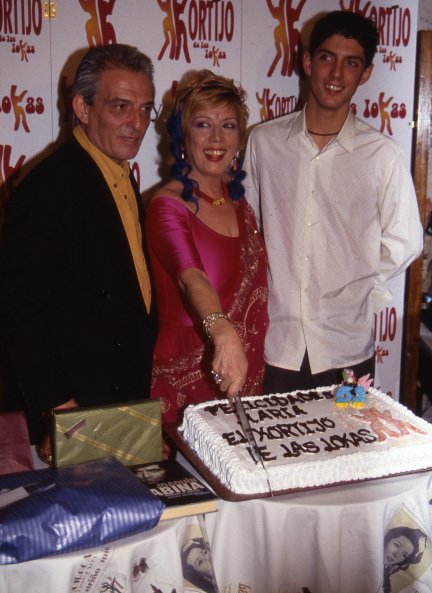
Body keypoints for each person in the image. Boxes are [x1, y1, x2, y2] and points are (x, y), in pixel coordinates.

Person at [243, 10, 423, 393]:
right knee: (278, 450)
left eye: (351, 62)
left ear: (366, 73)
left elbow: (406, 240)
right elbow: (248, 227)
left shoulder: (382, 154)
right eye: (327, 57)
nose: (336, 74)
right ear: (308, 62)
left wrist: (360, 289)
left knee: (349, 446)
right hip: (277, 346)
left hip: (349, 352)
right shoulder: (264, 142)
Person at [0, 44, 158, 453]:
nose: (136, 123)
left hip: (120, 403)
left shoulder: (118, 174)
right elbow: (21, 314)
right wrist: (60, 411)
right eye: (121, 107)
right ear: (82, 108)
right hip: (75, 414)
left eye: (145, 109)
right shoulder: (46, 189)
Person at [146, 70, 268, 429]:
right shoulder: (167, 206)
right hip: (187, 382)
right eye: (203, 124)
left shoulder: (239, 200)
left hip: (244, 373)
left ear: (239, 138)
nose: (216, 137)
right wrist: (223, 332)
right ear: (183, 136)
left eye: (228, 126)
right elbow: (190, 276)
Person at [383, 526, 427, 593]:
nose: (396, 555)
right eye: (396, 545)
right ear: (389, 538)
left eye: (404, 555)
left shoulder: (385, 584)